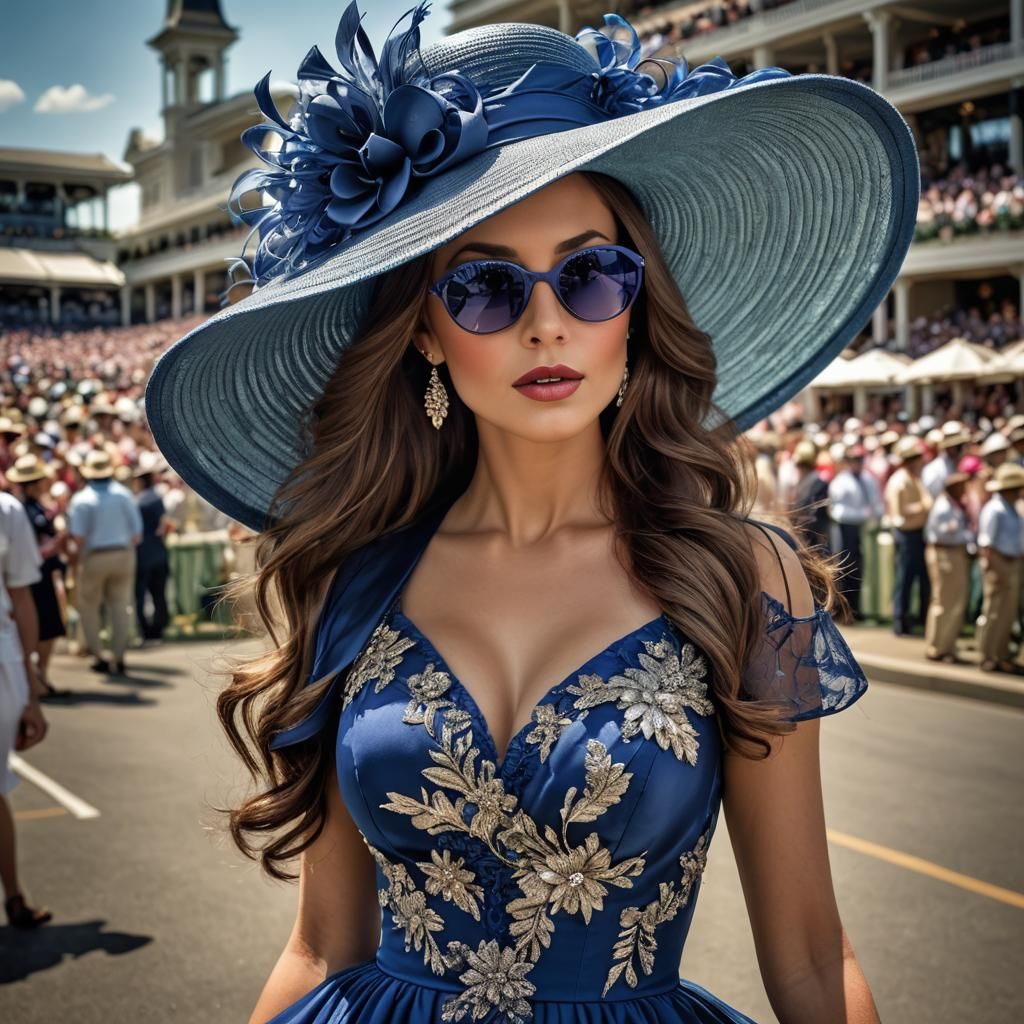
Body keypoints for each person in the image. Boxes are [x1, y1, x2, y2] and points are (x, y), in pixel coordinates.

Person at [145, 5, 915, 1022]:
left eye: (591, 275)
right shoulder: (352, 581)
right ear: (424, 331)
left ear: (635, 309)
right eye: (486, 287)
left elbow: (812, 960)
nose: (547, 323)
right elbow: (323, 943)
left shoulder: (741, 577)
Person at [0, 487, 52, 928]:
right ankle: (14, 897)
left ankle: (14, 896)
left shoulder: (7, 510)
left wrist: (32, 691)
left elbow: (21, 598)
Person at [67, 449, 142, 677]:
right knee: (120, 606)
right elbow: (137, 534)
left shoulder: (81, 499)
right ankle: (118, 656)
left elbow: (77, 538)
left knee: (89, 608)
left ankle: (99, 656)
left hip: (95, 556)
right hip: (123, 554)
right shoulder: (124, 495)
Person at [4, 453, 70, 698]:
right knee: (43, 626)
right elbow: (29, 550)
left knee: (47, 627)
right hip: (34, 576)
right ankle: (36, 678)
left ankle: (39, 676)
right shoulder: (22, 510)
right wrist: (55, 544)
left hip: (39, 573)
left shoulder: (28, 507)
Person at [975, 462, 1024, 674]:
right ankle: (988, 655)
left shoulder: (1012, 508)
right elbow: (986, 544)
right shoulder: (994, 509)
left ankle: (1001, 654)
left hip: (1012, 561)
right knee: (994, 611)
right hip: (999, 561)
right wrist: (992, 569)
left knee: (1007, 613)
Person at [923, 471, 975, 663]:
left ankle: (947, 644)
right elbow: (948, 534)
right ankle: (936, 646)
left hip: (953, 552)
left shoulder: (952, 505)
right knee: (944, 600)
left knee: (954, 601)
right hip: (945, 553)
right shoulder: (944, 507)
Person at [827, 443, 883, 620]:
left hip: (864, 529)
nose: (857, 463)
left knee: (861, 568)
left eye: (859, 459)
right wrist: (864, 514)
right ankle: (844, 609)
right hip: (847, 529)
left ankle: (858, 608)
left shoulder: (867, 479)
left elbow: (875, 501)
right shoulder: (841, 482)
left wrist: (875, 516)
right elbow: (838, 511)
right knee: (846, 568)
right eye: (853, 460)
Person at [884, 435, 933, 636]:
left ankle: (915, 618)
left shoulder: (913, 478)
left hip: (916, 533)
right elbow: (900, 511)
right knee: (904, 579)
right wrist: (923, 506)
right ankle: (900, 622)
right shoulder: (900, 480)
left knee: (918, 578)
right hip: (906, 534)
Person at [131, 451, 171, 644]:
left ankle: (146, 631)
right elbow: (163, 526)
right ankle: (159, 629)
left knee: (141, 594)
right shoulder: (156, 498)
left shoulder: (135, 501)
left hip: (141, 554)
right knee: (159, 593)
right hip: (158, 552)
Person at [788, 439, 830, 553]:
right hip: (802, 540)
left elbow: (815, 520)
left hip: (811, 543)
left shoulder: (818, 484)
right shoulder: (801, 483)